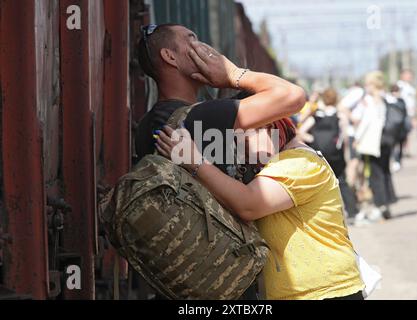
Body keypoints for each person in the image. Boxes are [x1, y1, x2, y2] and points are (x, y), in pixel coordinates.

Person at [136, 23, 306, 299]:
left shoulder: (148, 123)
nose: (205, 48)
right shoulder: (199, 118)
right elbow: (293, 96)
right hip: (226, 279)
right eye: (192, 38)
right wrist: (232, 74)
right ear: (170, 57)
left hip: (184, 275)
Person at [155, 119, 365, 300]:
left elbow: (248, 204)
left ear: (272, 127)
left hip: (325, 291)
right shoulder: (275, 164)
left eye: (247, 137)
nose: (242, 147)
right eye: (236, 140)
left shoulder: (299, 162)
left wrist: (195, 162)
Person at [300, 88, 361, 224]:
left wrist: (314, 140)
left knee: (319, 183)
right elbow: (344, 137)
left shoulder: (316, 116)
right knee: (342, 182)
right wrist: (346, 156)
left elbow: (302, 131)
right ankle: (352, 212)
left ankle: (320, 214)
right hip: (336, 156)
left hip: (319, 155)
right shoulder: (339, 116)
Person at [353, 71, 397, 222]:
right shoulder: (388, 97)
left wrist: (357, 138)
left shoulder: (370, 100)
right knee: (385, 171)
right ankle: (388, 204)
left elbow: (366, 121)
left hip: (373, 142)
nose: (366, 87)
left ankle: (380, 205)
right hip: (387, 140)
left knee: (375, 174)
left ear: (372, 84)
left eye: (367, 84)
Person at [394, 69, 416, 171]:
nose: (410, 77)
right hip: (399, 116)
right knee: (397, 139)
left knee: (403, 138)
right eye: (408, 75)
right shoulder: (399, 85)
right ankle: (396, 159)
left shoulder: (411, 88)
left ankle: (399, 158)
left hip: (408, 116)